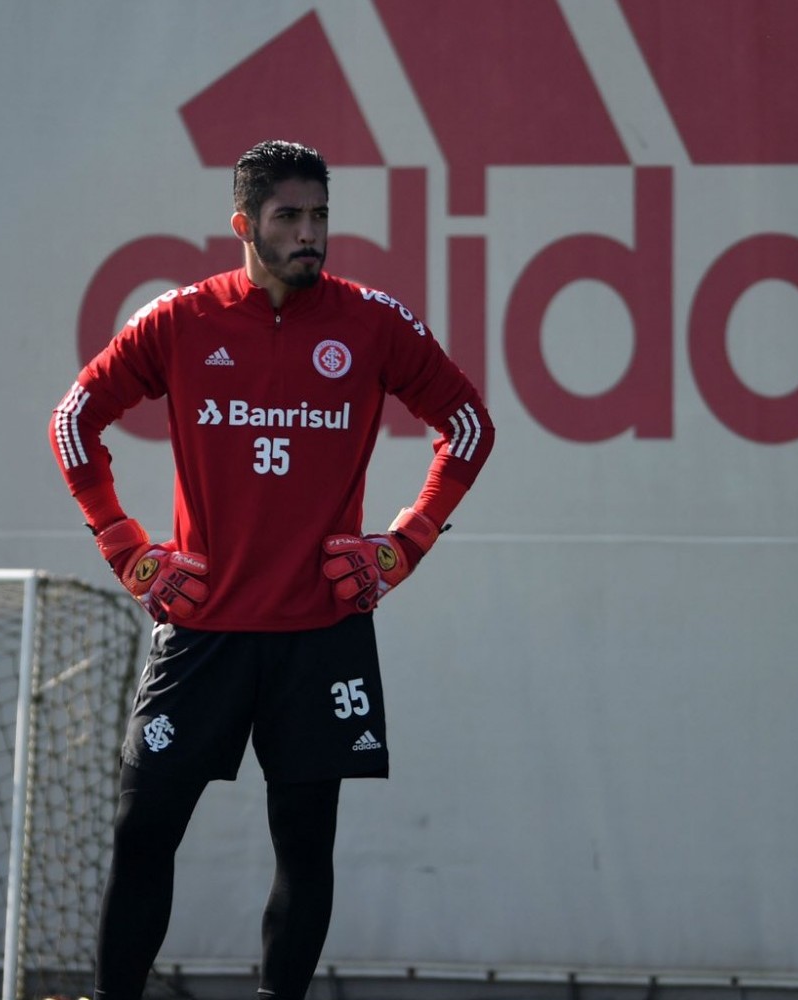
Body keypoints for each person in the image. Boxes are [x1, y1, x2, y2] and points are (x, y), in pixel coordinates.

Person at [47, 139, 494, 1000]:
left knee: (304, 842)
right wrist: (129, 551)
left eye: (320, 215)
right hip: (203, 631)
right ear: (243, 224)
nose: (309, 234)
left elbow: (468, 425)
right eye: (288, 216)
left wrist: (401, 546)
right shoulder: (182, 319)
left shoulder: (372, 320)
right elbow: (73, 424)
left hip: (319, 636)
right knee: (143, 830)